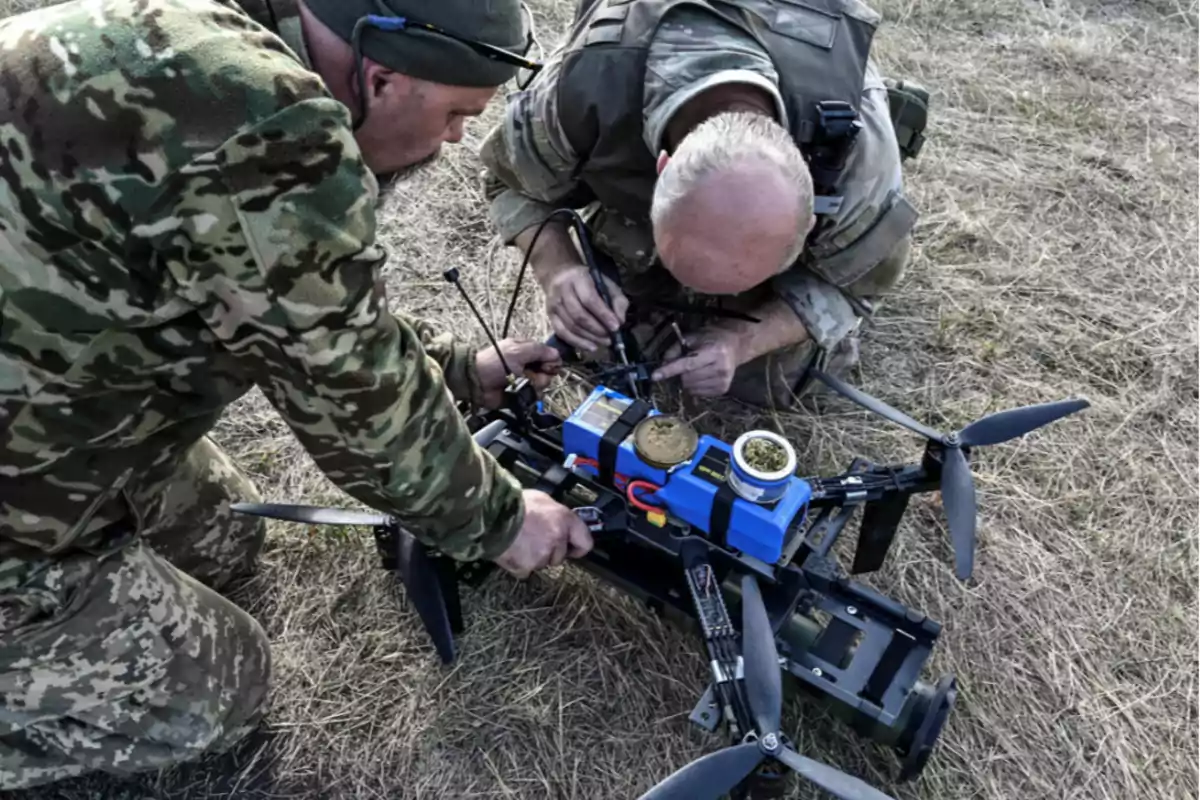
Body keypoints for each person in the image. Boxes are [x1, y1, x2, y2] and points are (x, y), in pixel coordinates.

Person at [0, 0, 593, 790]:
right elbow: (356, 404)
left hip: (42, 383)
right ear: (383, 76)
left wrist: (453, 368)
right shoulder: (271, 129)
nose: (455, 141)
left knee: (224, 532)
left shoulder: (226, 43)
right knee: (214, 691)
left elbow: (299, 302)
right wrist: (500, 518)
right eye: (457, 114)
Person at [479, 0, 929, 408]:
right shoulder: (582, 92)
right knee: (609, 341)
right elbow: (506, 180)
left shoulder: (856, 159)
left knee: (770, 381)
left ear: (811, 215)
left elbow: (859, 284)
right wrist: (558, 268)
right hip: (627, 132)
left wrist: (742, 341)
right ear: (660, 167)